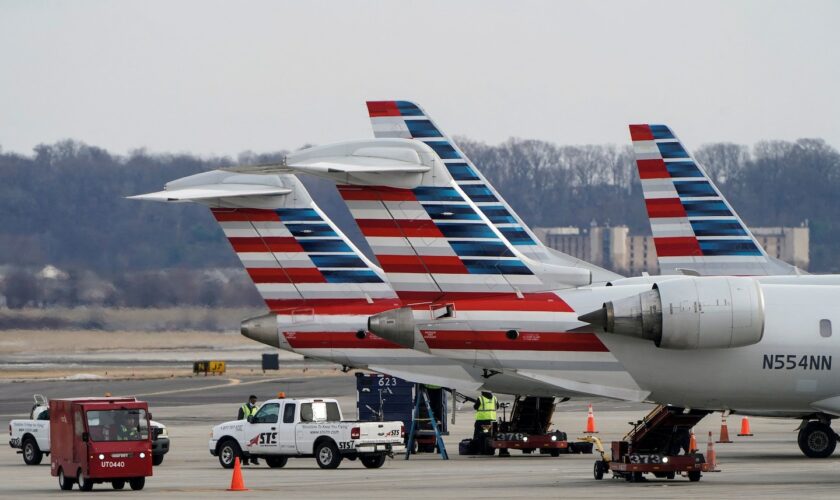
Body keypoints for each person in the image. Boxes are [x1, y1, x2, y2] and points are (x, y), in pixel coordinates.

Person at [238, 395, 260, 465]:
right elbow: (239, 419)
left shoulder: (257, 408)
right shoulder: (243, 408)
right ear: (250, 399)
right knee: (245, 444)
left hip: (254, 428)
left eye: (255, 400)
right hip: (245, 428)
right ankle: (245, 460)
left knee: (254, 444)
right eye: (254, 400)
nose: (255, 401)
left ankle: (254, 459)